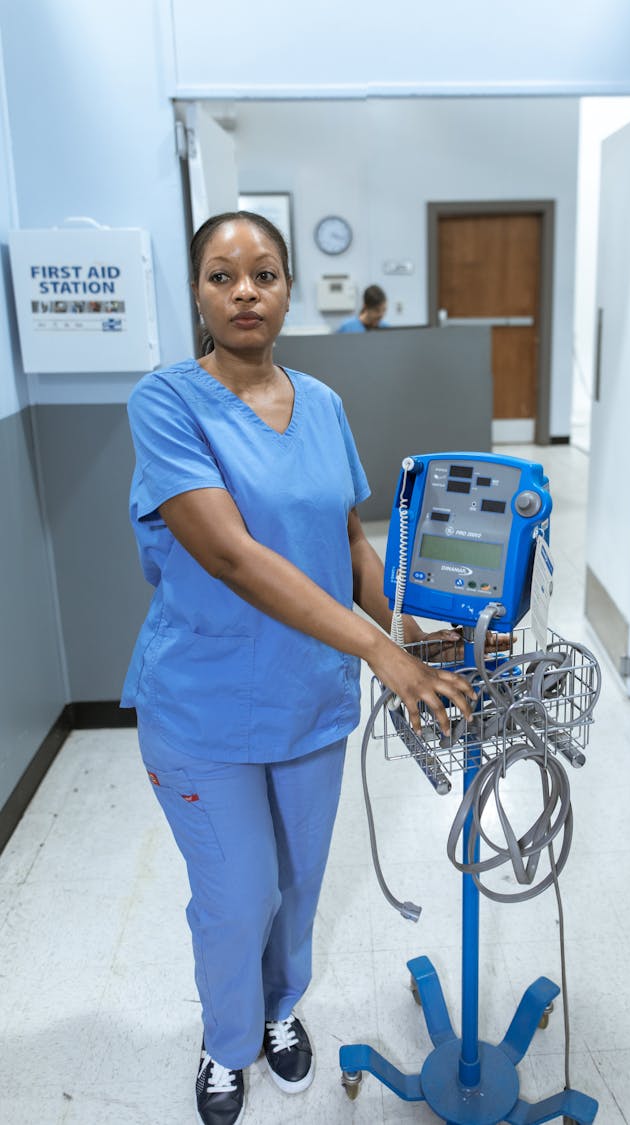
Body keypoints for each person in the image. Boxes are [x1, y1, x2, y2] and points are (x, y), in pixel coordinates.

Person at [120, 211, 475, 1125]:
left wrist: (410, 630)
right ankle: (226, 1039)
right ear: (197, 292)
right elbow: (233, 556)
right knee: (239, 895)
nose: (245, 291)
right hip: (202, 707)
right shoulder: (165, 402)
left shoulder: (321, 403)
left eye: (265, 273)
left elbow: (345, 538)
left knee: (299, 885)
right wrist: (381, 652)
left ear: (286, 289)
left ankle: (281, 1011)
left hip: (309, 697)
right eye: (223, 275)